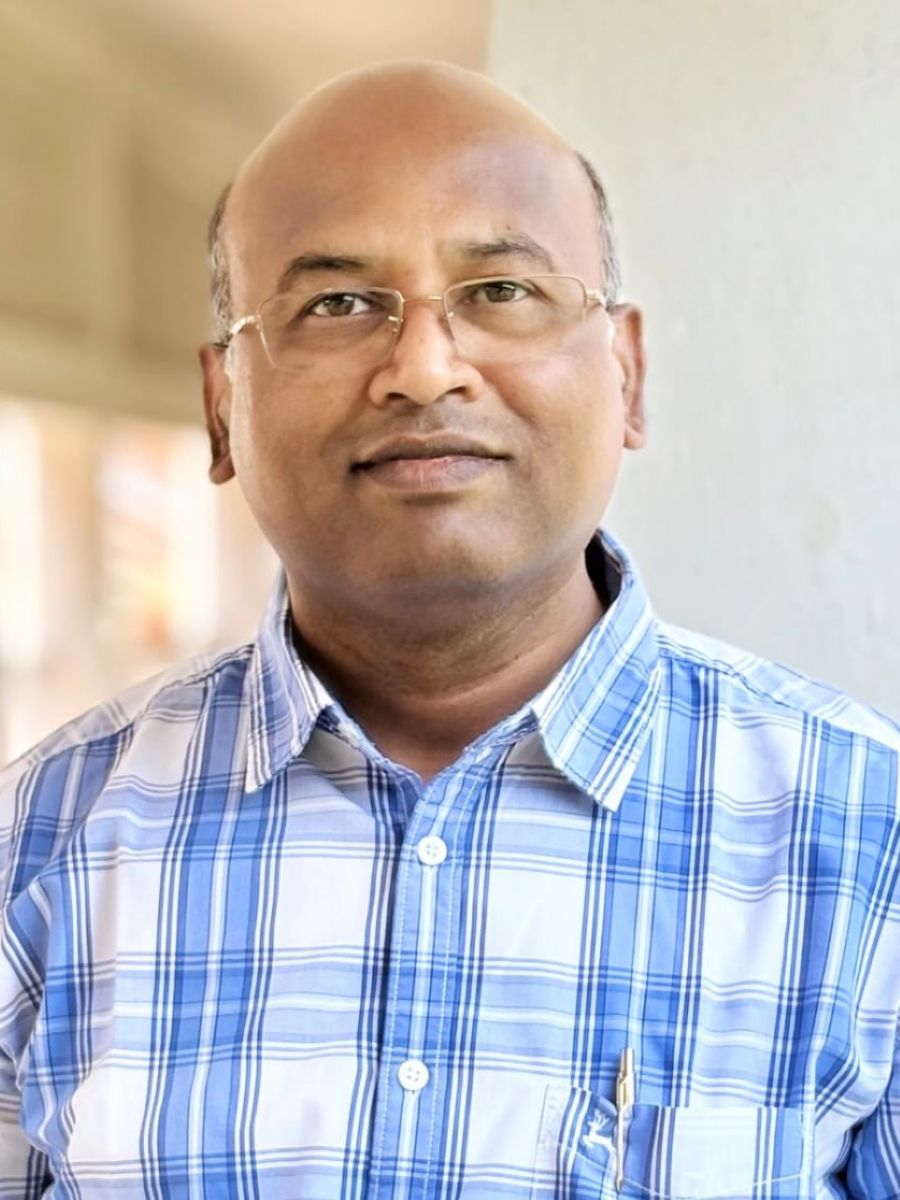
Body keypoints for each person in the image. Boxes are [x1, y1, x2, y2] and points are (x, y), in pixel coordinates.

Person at [0, 60, 897, 1200]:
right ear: (222, 405)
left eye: (503, 291)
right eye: (336, 303)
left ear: (626, 376)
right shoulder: (36, 846)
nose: (424, 368)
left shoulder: (872, 849)